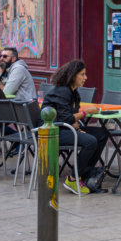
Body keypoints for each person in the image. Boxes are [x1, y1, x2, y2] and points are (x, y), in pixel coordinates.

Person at [42, 59, 108, 195]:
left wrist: (78, 128)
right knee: (90, 141)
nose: (86, 78)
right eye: (82, 74)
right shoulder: (62, 91)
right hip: (53, 131)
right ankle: (72, 179)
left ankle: (83, 174)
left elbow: (70, 117)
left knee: (101, 134)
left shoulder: (74, 93)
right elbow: (67, 118)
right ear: (73, 76)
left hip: (65, 127)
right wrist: (86, 112)